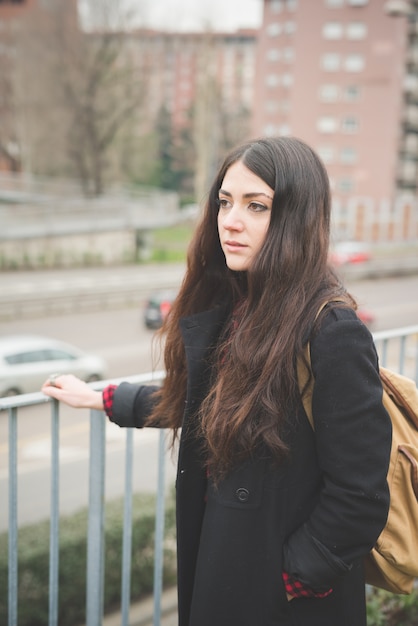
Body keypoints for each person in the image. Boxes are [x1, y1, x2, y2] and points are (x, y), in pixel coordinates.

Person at [42, 136, 392, 626]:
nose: (230, 220)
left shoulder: (331, 330)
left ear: (297, 217)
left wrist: (290, 578)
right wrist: (101, 397)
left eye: (256, 206)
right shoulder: (238, 305)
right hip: (225, 562)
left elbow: (360, 494)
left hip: (283, 599)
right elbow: (202, 406)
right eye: (225, 202)